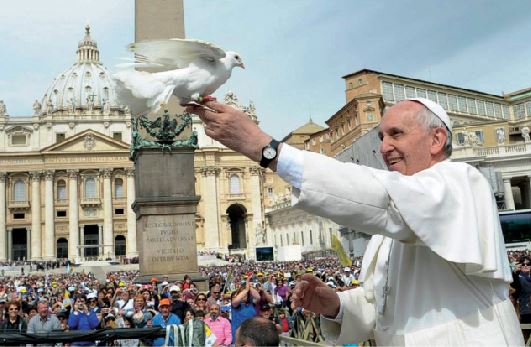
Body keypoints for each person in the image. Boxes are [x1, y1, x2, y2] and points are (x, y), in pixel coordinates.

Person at [188, 97, 523, 345]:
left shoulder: (462, 181)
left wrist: (267, 149)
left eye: (396, 134)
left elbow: (384, 197)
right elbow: (378, 308)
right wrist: (336, 305)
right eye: (380, 137)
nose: (384, 147)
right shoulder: (390, 231)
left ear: (436, 139)